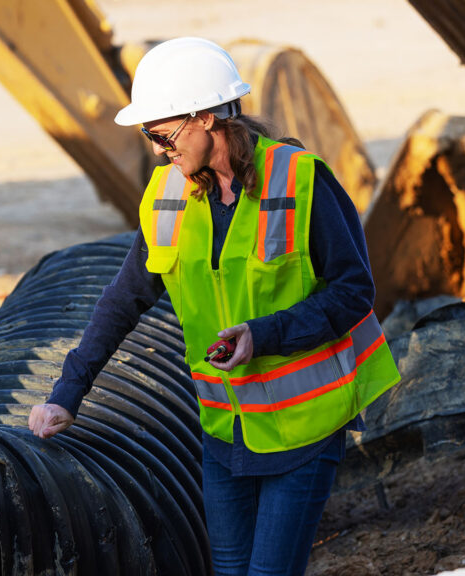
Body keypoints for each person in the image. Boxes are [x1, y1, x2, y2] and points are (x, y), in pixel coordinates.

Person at [28, 37, 400, 576]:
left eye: (163, 134)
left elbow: (353, 291)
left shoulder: (301, 179)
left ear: (206, 118)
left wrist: (263, 334)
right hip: (225, 429)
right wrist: (68, 393)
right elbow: (123, 300)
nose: (159, 150)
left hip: (305, 427)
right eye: (149, 136)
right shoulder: (169, 194)